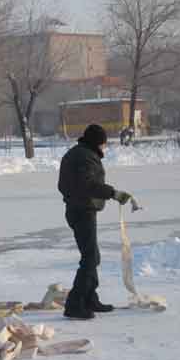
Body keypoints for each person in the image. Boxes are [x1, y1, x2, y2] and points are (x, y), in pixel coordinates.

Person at [57, 124, 132, 319]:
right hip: (82, 211)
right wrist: (113, 193)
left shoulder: (80, 153)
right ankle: (74, 304)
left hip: (80, 209)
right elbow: (88, 184)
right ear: (97, 141)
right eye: (104, 143)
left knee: (92, 256)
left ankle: (90, 298)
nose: (105, 147)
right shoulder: (85, 157)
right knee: (90, 258)